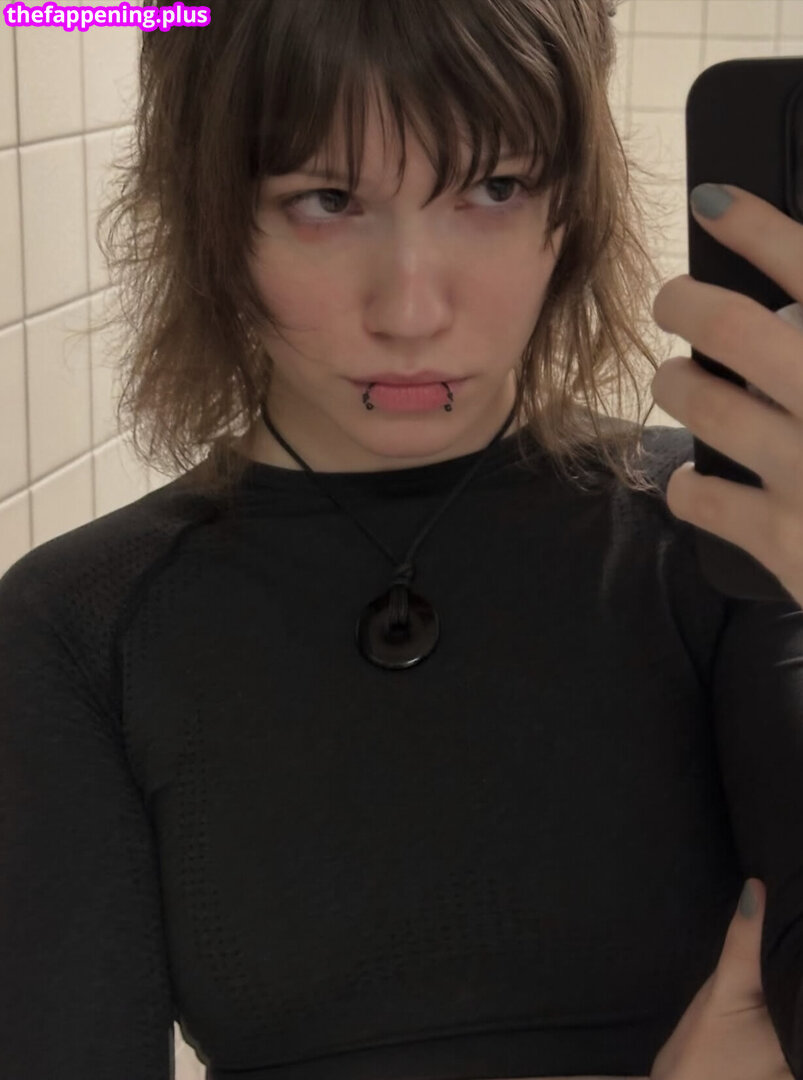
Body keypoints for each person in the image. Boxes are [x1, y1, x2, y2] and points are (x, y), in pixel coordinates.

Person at [0, 1, 800, 1078]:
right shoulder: (81, 627)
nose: (412, 311)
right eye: (325, 200)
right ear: (211, 217)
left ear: (570, 206)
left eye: (494, 188)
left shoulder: (726, 530)